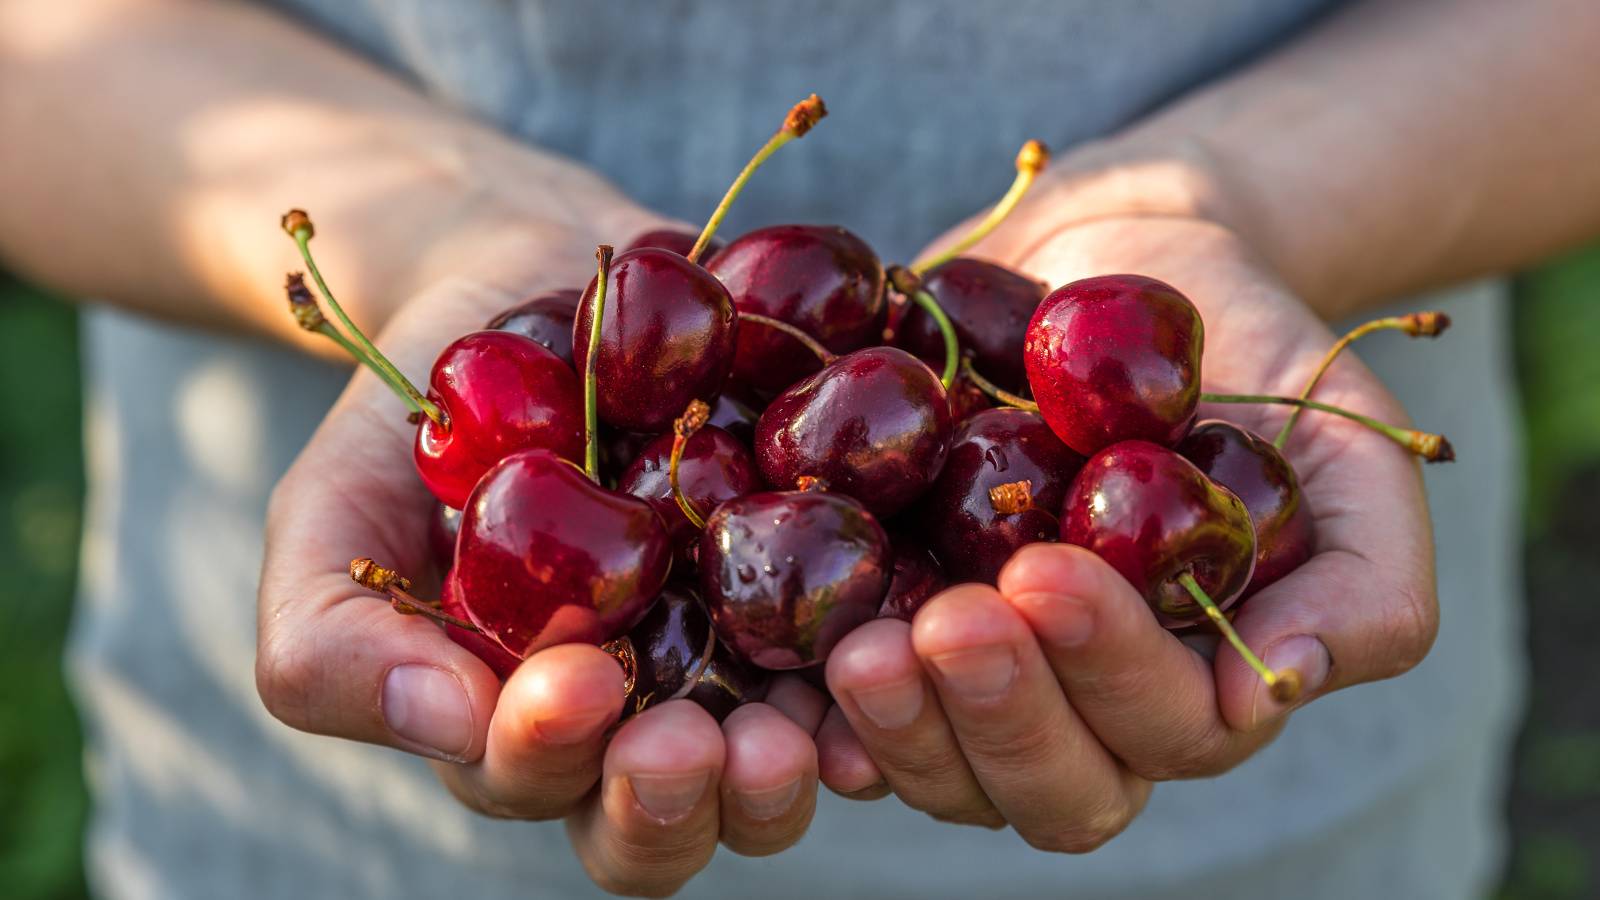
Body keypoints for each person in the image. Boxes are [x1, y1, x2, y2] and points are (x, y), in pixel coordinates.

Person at [2, 0, 1596, 896]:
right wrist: (409, 225)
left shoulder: (1067, 467)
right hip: (332, 839)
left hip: (1259, 842)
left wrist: (1247, 204)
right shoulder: (583, 450)